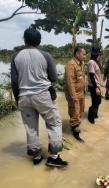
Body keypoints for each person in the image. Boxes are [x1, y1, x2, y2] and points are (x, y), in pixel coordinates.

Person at [11, 28, 68, 167]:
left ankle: (36, 155)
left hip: (24, 97)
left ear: (24, 40)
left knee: (31, 127)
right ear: (39, 41)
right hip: (42, 95)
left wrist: (18, 99)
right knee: (54, 123)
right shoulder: (46, 55)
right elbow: (54, 77)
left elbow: (14, 81)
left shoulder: (15, 56)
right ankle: (54, 157)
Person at [64, 46, 86, 142]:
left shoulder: (80, 63)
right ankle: (75, 132)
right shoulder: (71, 65)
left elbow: (82, 78)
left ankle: (75, 126)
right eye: (83, 54)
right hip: (74, 94)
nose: (85, 56)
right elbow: (70, 82)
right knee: (75, 112)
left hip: (81, 93)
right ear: (77, 54)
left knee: (81, 110)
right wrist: (74, 97)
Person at [87, 46, 102, 124]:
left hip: (96, 85)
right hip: (93, 86)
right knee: (96, 102)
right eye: (99, 54)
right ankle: (91, 118)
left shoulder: (94, 62)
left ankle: (95, 115)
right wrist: (96, 88)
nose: (100, 56)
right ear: (96, 54)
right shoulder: (91, 62)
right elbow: (92, 76)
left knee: (97, 101)